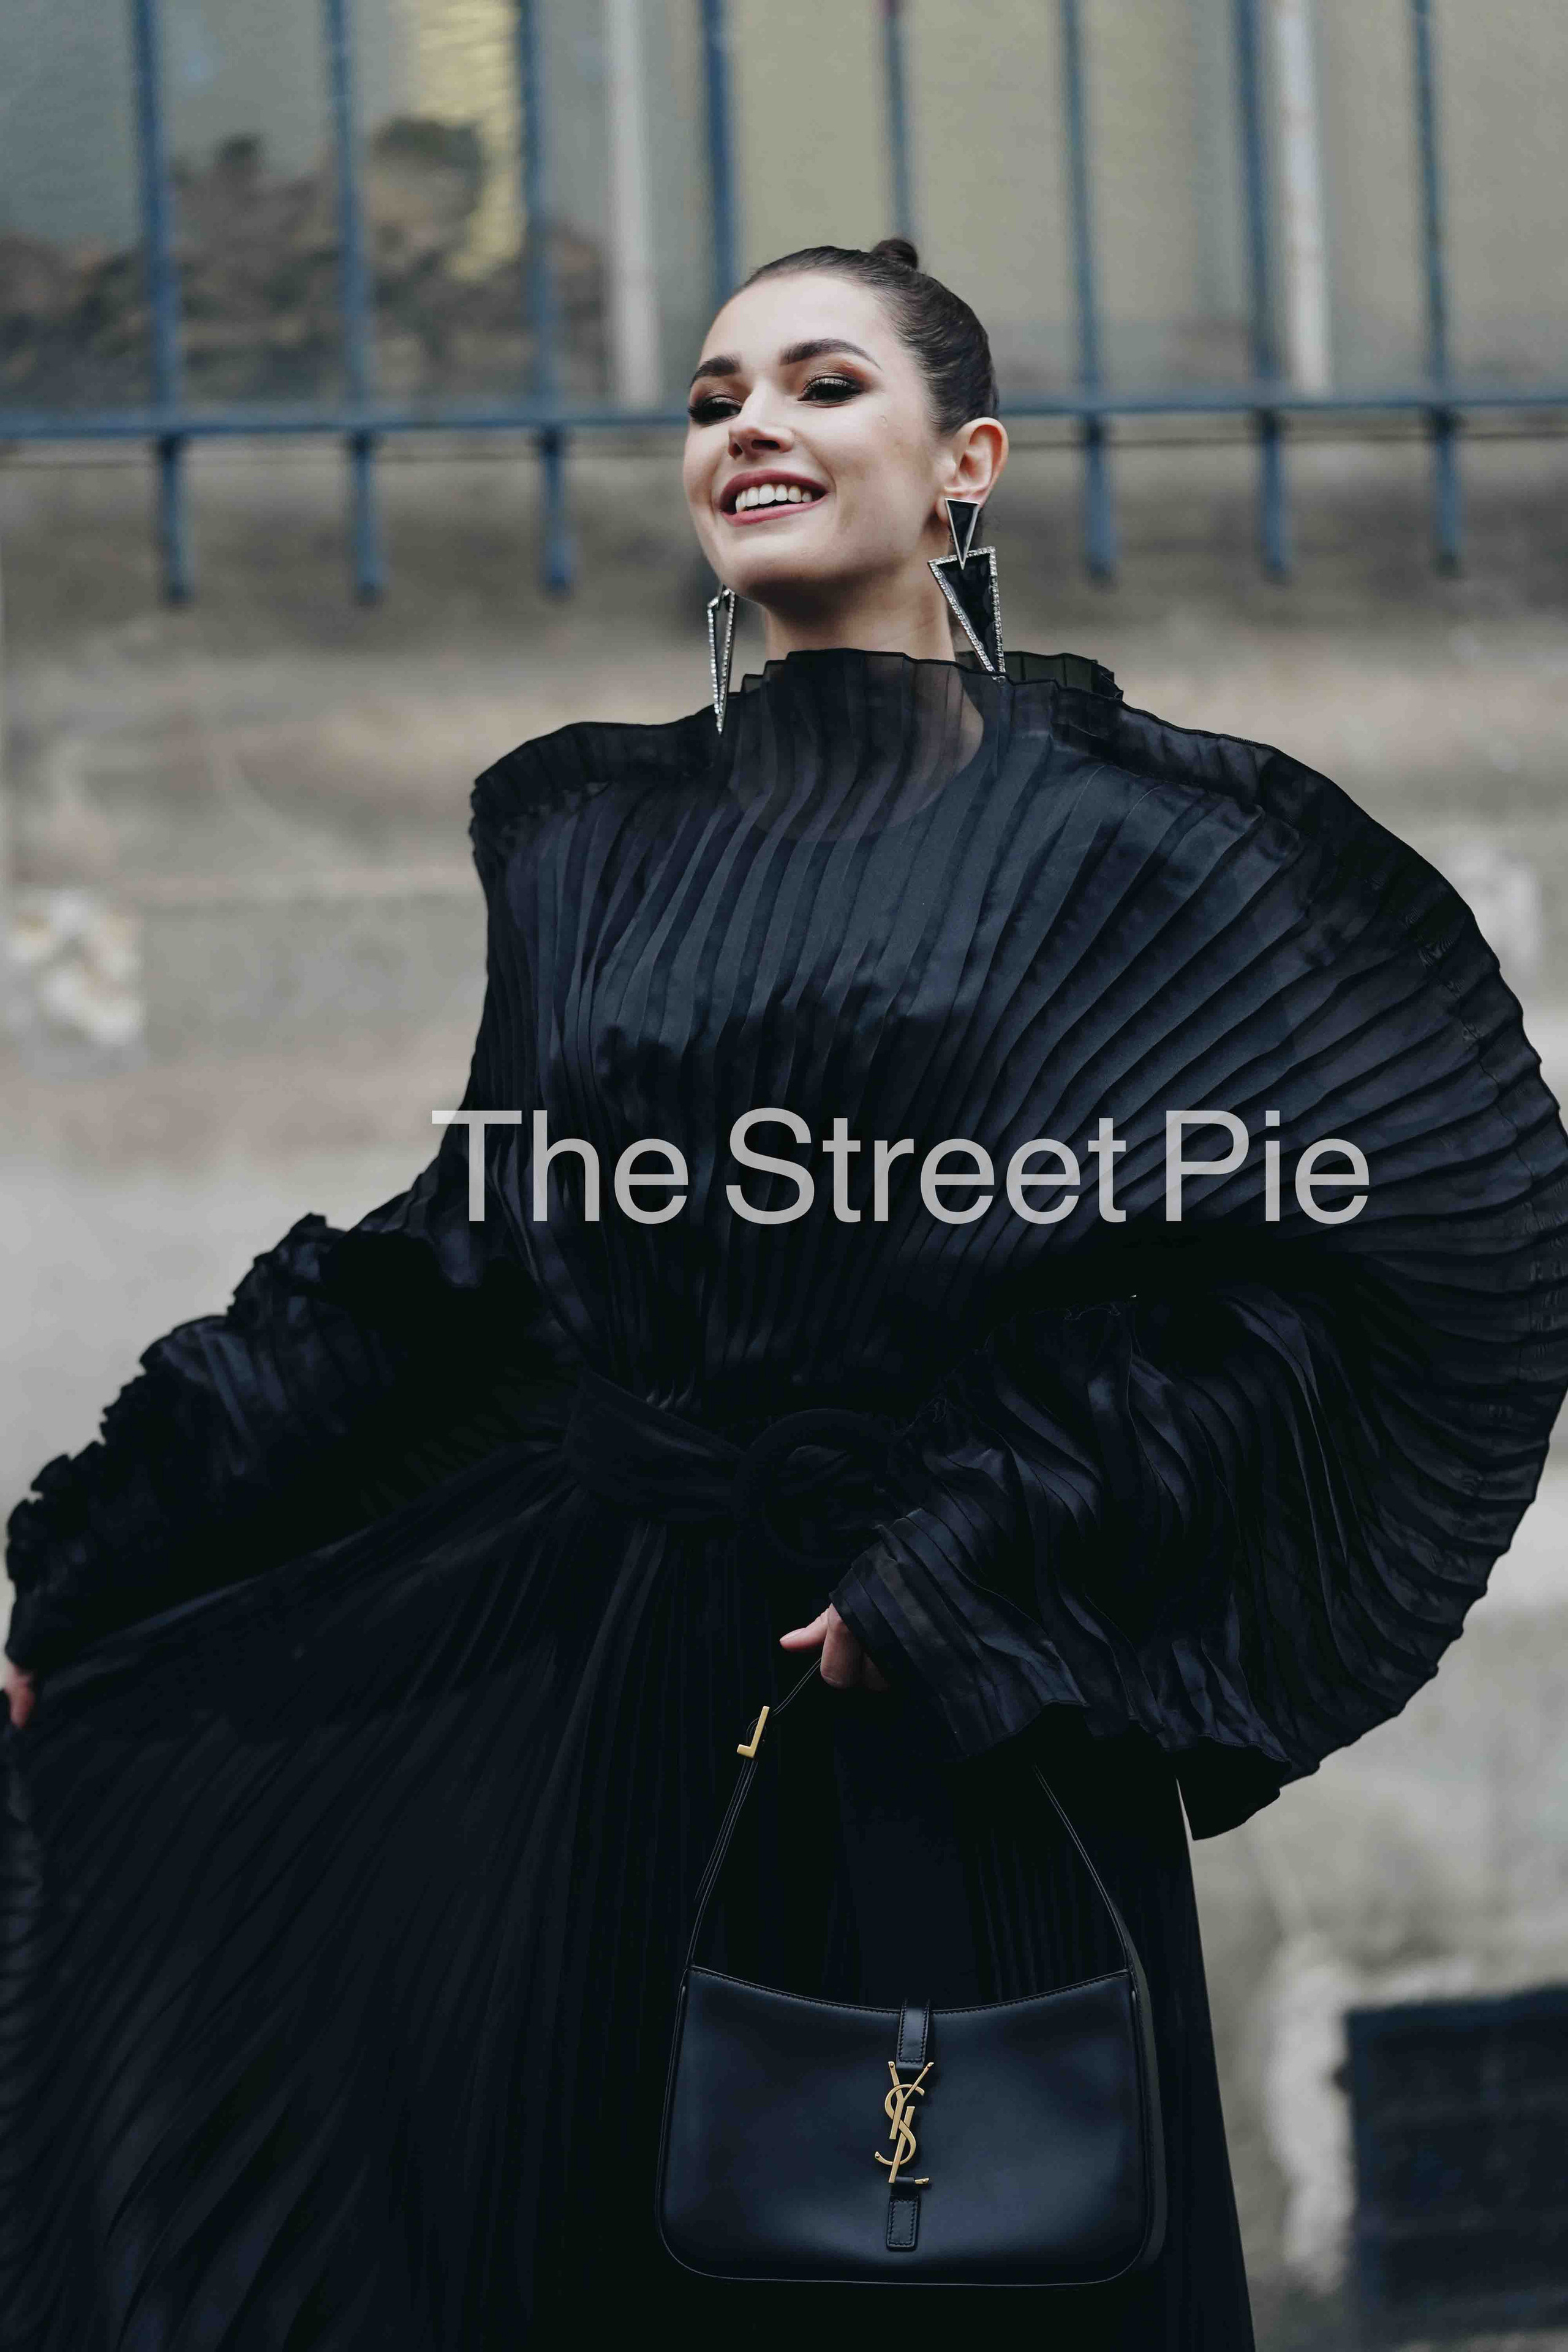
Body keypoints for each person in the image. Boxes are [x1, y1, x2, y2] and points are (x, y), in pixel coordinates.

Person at [4, 235, 1566, 2351]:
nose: (752, 425)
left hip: (945, 1701)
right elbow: (467, 1260)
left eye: (824, 386)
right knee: (621, 2259)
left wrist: (969, 1558)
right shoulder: (589, 841)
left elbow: (1339, 1268)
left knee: (952, 2268)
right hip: (616, 1684)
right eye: (716, 395)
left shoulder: (1144, 848)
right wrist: (109, 1562)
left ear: (963, 467)